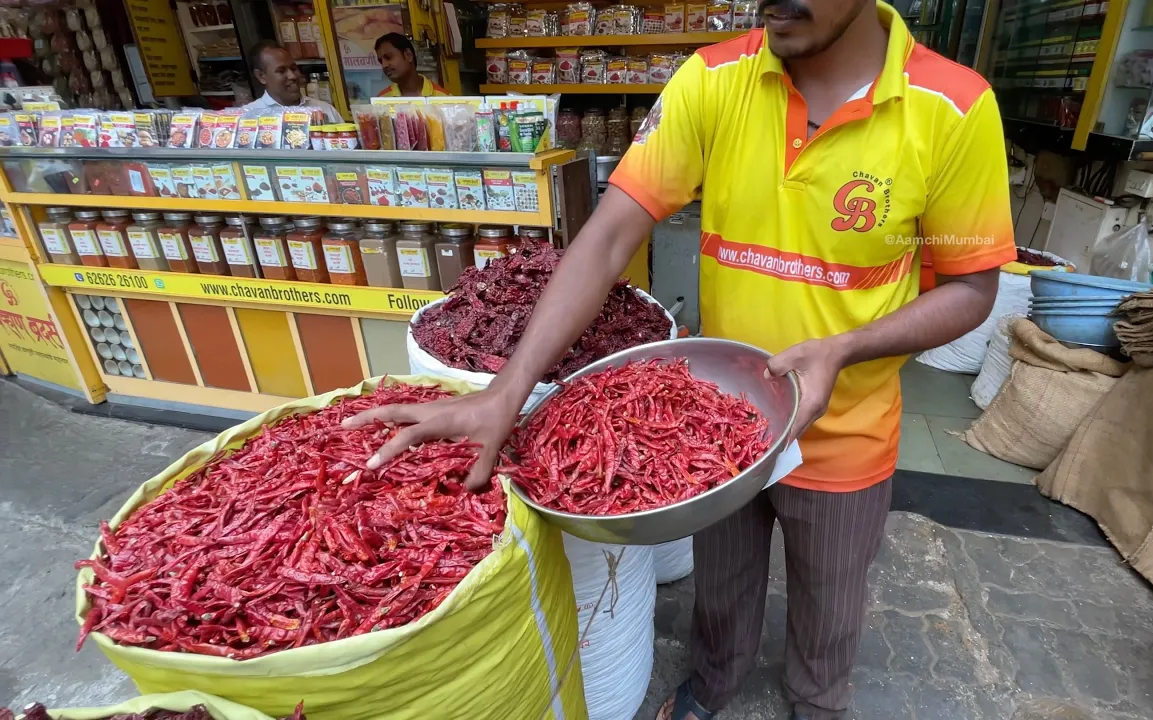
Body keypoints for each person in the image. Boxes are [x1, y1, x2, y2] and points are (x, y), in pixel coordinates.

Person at [344, 0, 1015, 717]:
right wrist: (505, 391)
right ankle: (713, 683)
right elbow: (605, 240)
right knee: (720, 583)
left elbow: (973, 290)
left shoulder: (954, 105)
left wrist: (845, 347)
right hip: (725, 421)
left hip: (848, 429)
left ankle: (816, 701)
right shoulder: (713, 80)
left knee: (832, 597)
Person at [243, 40, 341, 122]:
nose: (292, 76)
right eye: (281, 71)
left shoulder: (325, 110)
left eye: (294, 68)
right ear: (261, 76)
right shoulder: (248, 117)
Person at [375, 33, 448, 97]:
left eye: (388, 57)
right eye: (381, 61)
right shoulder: (382, 101)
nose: (384, 65)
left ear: (408, 55)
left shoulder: (444, 99)